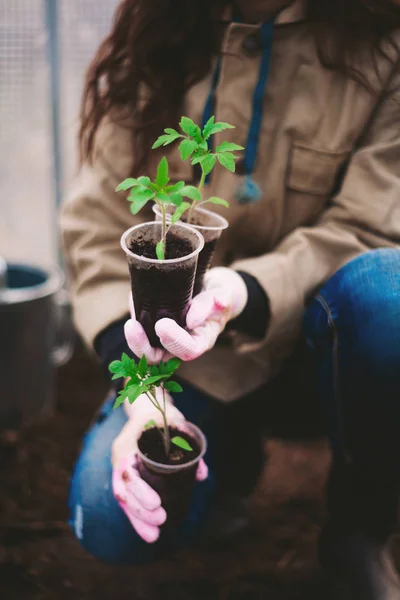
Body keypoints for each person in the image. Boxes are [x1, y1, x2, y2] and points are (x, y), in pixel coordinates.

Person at [61, 0, 400, 597]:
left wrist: (246, 290)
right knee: (115, 524)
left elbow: (370, 227)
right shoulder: (160, 23)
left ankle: (360, 528)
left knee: (386, 293)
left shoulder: (382, 36)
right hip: (185, 357)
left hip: (317, 340)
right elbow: (96, 229)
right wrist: (144, 393)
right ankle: (229, 463)